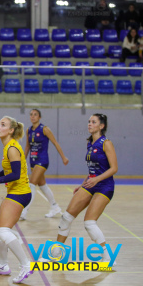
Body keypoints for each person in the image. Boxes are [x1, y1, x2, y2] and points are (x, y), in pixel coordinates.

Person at [45, 114, 118, 269]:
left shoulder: (107, 143)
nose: (90, 124)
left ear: (102, 126)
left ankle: (107, 257)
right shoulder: (89, 143)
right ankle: (56, 254)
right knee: (66, 217)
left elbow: (113, 168)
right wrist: (83, 183)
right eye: (89, 121)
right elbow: (93, 169)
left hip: (105, 186)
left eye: (93, 122)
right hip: (90, 183)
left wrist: (96, 180)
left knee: (89, 223)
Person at [0, 116, 33, 284]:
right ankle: (2, 265)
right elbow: (9, 169)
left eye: (3, 125)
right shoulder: (8, 147)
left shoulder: (11, 148)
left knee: (3, 231)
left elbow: (16, 174)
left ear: (11, 130)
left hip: (20, 192)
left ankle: (26, 265)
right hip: (15, 191)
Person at [20, 109, 69, 220]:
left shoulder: (44, 129)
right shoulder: (28, 130)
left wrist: (63, 157)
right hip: (33, 160)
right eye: (31, 115)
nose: (32, 117)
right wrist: (22, 160)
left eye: (35, 115)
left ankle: (24, 211)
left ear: (39, 117)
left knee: (31, 184)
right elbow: (28, 146)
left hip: (42, 161)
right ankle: (54, 206)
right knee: (42, 186)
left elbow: (55, 143)